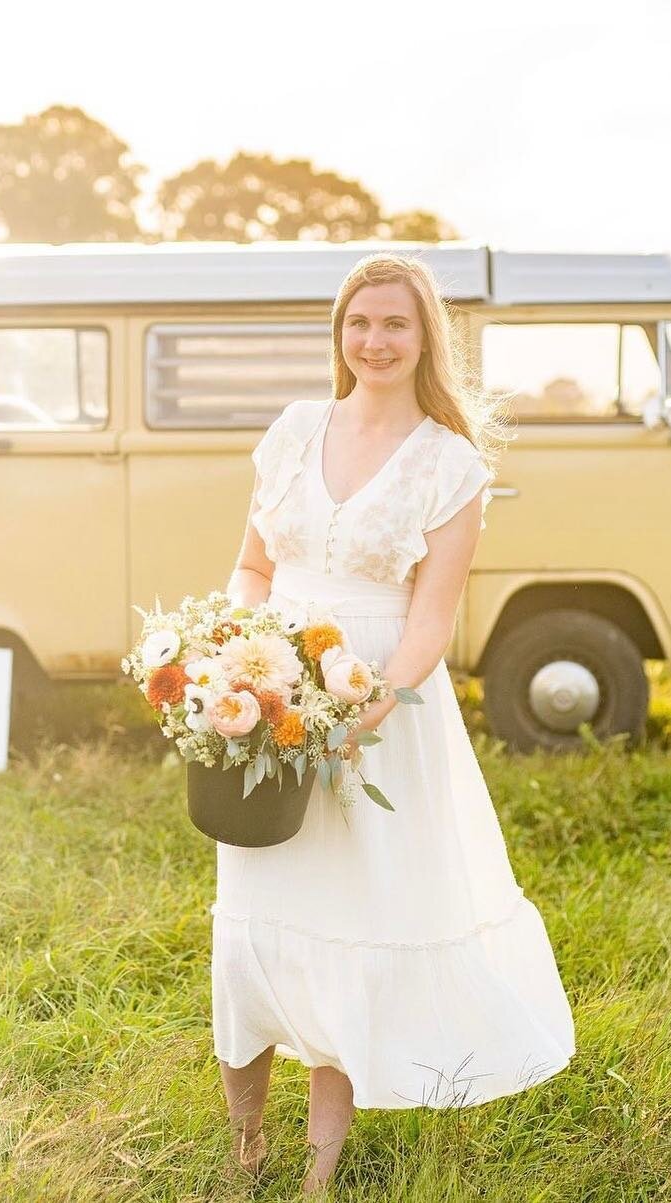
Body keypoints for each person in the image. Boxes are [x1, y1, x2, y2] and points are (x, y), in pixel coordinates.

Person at [214, 252, 576, 1193]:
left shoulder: (451, 466)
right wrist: (232, 656)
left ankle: (316, 1173)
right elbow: (252, 568)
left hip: (372, 703)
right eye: (358, 323)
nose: (373, 341)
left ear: (425, 340)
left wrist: (358, 714)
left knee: (346, 913)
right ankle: (243, 1150)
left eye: (394, 325)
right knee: (257, 917)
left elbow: (430, 622)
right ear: (339, 334)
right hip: (264, 694)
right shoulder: (293, 430)